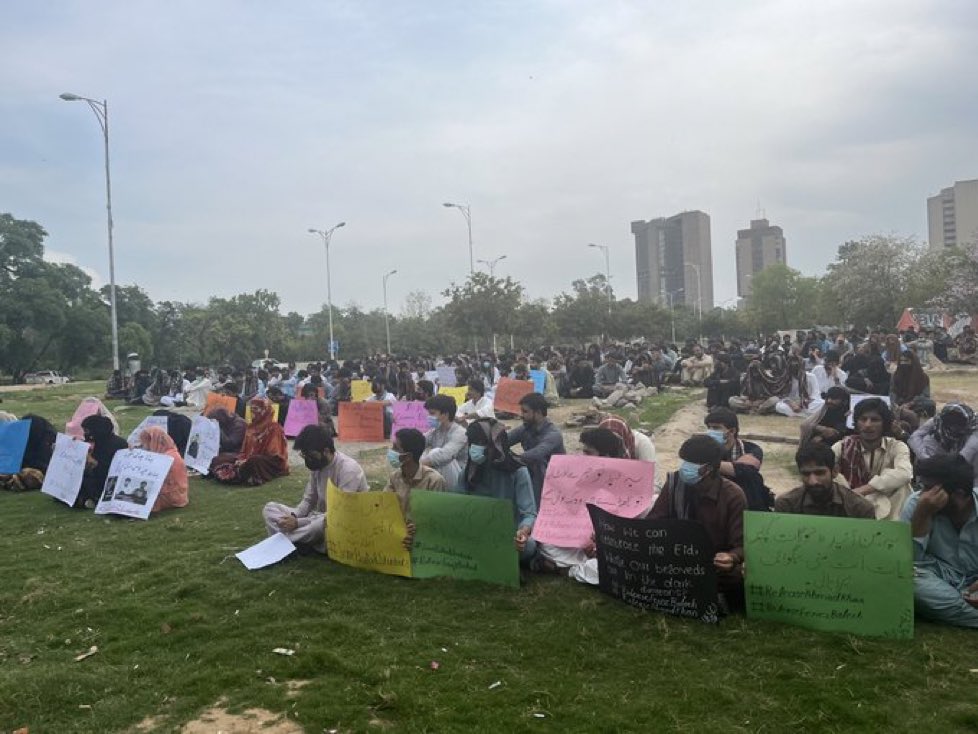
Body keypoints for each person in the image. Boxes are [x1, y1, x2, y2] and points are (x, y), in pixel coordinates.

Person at [648, 435, 747, 610]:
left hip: (712, 564)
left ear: (709, 468)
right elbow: (654, 524)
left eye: (691, 463)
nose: (685, 468)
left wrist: (730, 557)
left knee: (738, 576)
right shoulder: (674, 484)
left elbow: (741, 545)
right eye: (684, 461)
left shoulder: (733, 496)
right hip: (676, 560)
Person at [262, 425, 368, 553]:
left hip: (341, 521)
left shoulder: (349, 469)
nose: (308, 459)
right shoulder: (318, 466)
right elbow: (308, 500)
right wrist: (293, 516)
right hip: (318, 517)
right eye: (304, 455)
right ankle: (298, 542)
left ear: (326, 451)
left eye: (311, 455)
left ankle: (289, 542)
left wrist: (298, 523)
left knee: (318, 526)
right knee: (270, 508)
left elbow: (340, 513)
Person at [900, 455, 978, 628]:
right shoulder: (918, 503)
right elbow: (906, 562)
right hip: (936, 577)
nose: (923, 495)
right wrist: (922, 515)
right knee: (905, 579)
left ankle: (949, 610)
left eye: (929, 488)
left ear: (958, 494)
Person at [461, 418, 538, 565]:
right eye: (473, 443)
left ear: (494, 445)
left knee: (528, 547)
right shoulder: (468, 472)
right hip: (475, 532)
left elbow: (529, 513)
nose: (475, 448)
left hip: (507, 534)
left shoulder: (517, 471)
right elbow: (455, 503)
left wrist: (523, 532)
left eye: (481, 443)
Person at [775, 442, 875, 518]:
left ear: (835, 471)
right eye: (806, 474)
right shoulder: (786, 505)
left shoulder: (859, 508)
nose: (813, 481)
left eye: (820, 473)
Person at [385, 428, 447, 547]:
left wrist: (417, 530)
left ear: (408, 456)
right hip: (397, 534)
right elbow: (384, 507)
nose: (391, 451)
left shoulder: (434, 481)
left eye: (396, 448)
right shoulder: (395, 478)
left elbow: (437, 519)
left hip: (425, 541)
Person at [704, 408, 771, 511]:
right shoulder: (705, 448)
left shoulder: (751, 449)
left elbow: (744, 470)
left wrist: (708, 464)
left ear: (732, 431)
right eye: (709, 427)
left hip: (744, 498)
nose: (711, 431)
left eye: (716, 428)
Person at [211, 397, 289, 485]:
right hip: (247, 458)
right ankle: (239, 473)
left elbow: (273, 453)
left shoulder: (274, 427)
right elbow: (244, 449)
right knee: (218, 459)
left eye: (256, 409)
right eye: (251, 409)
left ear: (265, 410)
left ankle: (244, 475)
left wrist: (247, 459)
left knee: (254, 461)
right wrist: (241, 458)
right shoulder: (251, 427)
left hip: (268, 461)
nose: (253, 412)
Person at [507, 392, 566, 506]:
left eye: (525, 411)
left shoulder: (553, 434)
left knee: (536, 464)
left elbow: (535, 455)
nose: (521, 415)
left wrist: (511, 458)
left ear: (538, 412)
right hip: (534, 477)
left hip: (553, 482)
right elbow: (504, 440)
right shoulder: (526, 428)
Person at [909, 403, 978, 479]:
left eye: (956, 426)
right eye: (951, 425)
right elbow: (914, 437)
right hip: (939, 457)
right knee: (927, 441)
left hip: (962, 462)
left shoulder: (974, 429)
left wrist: (944, 466)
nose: (953, 429)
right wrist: (927, 459)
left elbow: (963, 457)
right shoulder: (938, 420)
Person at [77, 414, 128, 509]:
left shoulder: (117, 444)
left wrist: (92, 461)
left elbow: (108, 468)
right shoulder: (99, 442)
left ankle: (91, 499)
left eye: (87, 431)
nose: (85, 434)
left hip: (109, 480)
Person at [138, 426, 189, 512]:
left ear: (153, 440)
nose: (145, 446)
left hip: (170, 494)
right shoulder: (170, 451)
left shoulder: (166, 457)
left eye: (146, 442)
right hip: (178, 493)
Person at [422, 394, 467, 490]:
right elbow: (419, 442)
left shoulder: (460, 432)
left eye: (432, 413)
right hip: (441, 472)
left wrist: (418, 465)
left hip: (459, 477)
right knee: (419, 453)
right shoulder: (436, 430)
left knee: (436, 453)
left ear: (445, 414)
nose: (429, 417)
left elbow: (445, 455)